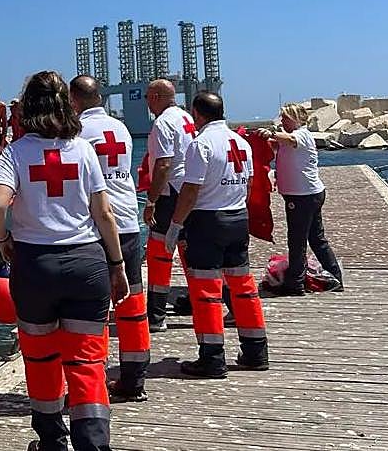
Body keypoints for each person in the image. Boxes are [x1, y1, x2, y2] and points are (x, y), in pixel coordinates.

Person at [0, 71, 129, 451]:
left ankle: (51, 441)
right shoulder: (83, 149)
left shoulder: (14, 154)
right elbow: (105, 215)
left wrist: (4, 240)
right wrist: (117, 266)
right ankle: (94, 444)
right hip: (86, 263)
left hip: (35, 266)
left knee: (42, 358)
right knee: (86, 365)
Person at [165, 92, 269, 377]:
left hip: (208, 221)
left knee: (205, 291)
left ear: (197, 114)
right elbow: (248, 183)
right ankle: (256, 351)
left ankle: (211, 358)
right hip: (237, 217)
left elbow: (190, 191)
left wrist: (175, 225)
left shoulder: (201, 145)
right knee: (244, 287)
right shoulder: (241, 142)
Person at [70, 75, 149, 403]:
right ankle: (134, 378)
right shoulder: (121, 129)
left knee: (94, 310)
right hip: (128, 221)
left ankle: (95, 379)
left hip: (97, 226)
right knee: (132, 304)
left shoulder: (77, 133)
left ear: (74, 101)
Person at [260, 103, 343, 294]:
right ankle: (334, 277)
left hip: (302, 197)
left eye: (286, 117)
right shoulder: (291, 137)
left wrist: (270, 133)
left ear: (298, 119)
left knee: (297, 240)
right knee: (316, 238)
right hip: (309, 193)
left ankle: (295, 283)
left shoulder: (302, 134)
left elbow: (289, 139)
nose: (282, 120)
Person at [142, 78, 196, 332]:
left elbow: (163, 165)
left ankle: (155, 315)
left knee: (158, 254)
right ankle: (202, 302)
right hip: (189, 191)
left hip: (170, 193)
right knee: (190, 250)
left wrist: (151, 201)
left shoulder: (162, 123)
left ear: (155, 96)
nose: (146, 103)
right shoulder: (186, 118)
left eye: (147, 97)